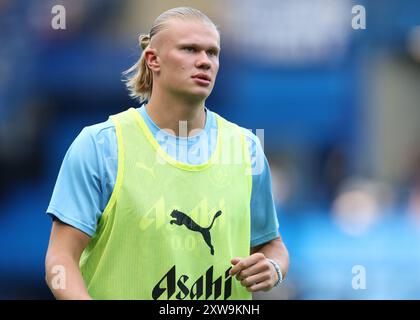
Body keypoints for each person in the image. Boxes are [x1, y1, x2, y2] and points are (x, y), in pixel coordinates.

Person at [45, 7, 289, 300]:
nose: (204, 61)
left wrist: (273, 268)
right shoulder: (100, 146)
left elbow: (271, 244)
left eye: (213, 53)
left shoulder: (245, 148)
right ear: (153, 59)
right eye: (190, 49)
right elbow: (60, 260)